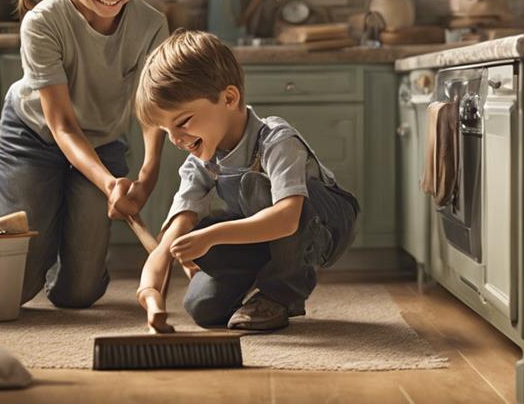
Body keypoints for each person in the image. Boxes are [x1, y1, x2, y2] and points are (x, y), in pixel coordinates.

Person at [0, 0, 169, 308]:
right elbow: (62, 125)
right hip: (35, 139)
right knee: (14, 288)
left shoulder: (151, 25)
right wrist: (110, 183)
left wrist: (146, 176)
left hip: (102, 141)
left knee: (79, 294)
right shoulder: (41, 24)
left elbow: (151, 110)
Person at [134, 30, 360, 331]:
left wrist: (212, 237)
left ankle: (280, 293)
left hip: (321, 224)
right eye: (165, 130)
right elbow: (167, 244)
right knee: (201, 306)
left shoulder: (277, 140)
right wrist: (150, 293)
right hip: (266, 232)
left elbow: (287, 219)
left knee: (258, 200)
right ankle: (256, 276)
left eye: (183, 122)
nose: (175, 139)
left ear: (229, 98)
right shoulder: (201, 161)